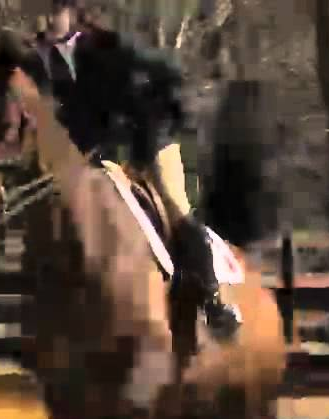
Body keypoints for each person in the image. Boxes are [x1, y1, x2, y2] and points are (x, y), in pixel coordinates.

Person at [17, 0, 243, 341]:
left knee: (175, 208)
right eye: (41, 7)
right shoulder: (37, 60)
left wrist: (158, 116)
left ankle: (213, 301)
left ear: (72, 12)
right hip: (93, 151)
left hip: (149, 140)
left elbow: (168, 73)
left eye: (55, 8)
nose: (46, 16)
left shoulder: (109, 46)